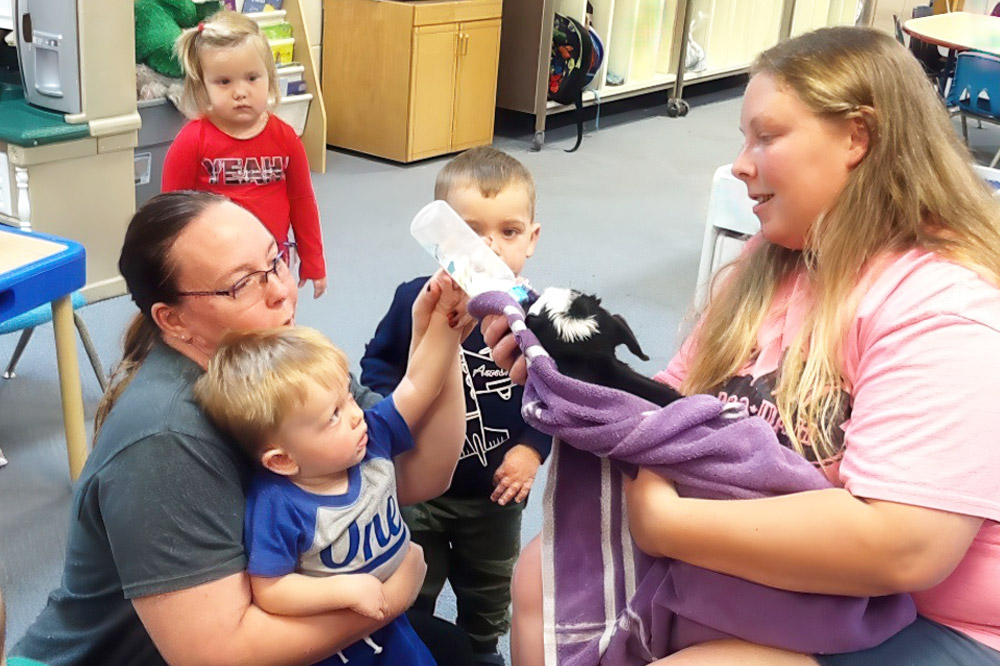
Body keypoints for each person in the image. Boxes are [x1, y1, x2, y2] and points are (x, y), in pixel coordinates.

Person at [483, 26, 1000, 666]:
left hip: (922, 615)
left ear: (857, 138)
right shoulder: (775, 263)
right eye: (743, 138)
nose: (740, 165)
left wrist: (669, 529)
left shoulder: (945, 307)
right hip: (782, 558)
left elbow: (904, 547)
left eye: (768, 136)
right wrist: (567, 372)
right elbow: (674, 407)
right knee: (543, 577)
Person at [11, 190, 468, 666]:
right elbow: (219, 655)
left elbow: (420, 476)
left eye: (276, 261)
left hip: (270, 621)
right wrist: (394, 592)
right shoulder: (165, 441)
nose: (281, 291)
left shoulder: (281, 361)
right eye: (242, 284)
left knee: (453, 649)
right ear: (173, 320)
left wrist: (446, 336)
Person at [361, 146, 550, 665]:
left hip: (494, 494)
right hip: (420, 487)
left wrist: (531, 452)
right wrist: (393, 416)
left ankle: (483, 650)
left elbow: (554, 399)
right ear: (440, 241)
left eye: (508, 232)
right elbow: (377, 366)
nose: (488, 247)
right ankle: (413, 642)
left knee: (489, 585)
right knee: (411, 575)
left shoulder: (536, 318)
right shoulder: (413, 299)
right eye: (470, 233)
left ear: (531, 239)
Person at [194, 321, 467, 666]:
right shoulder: (278, 505)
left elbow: (417, 385)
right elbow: (270, 588)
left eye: (349, 397)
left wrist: (446, 324)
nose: (356, 416)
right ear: (283, 459)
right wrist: (344, 590)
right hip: (339, 647)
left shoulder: (371, 437)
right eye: (334, 416)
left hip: (394, 627)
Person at [163, 11, 327, 298]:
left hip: (272, 261)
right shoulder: (191, 142)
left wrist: (314, 262)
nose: (240, 92)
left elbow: (302, 201)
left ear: (270, 77)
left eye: (252, 78)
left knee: (273, 326)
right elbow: (171, 212)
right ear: (203, 86)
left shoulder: (286, 139)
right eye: (224, 82)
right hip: (215, 266)